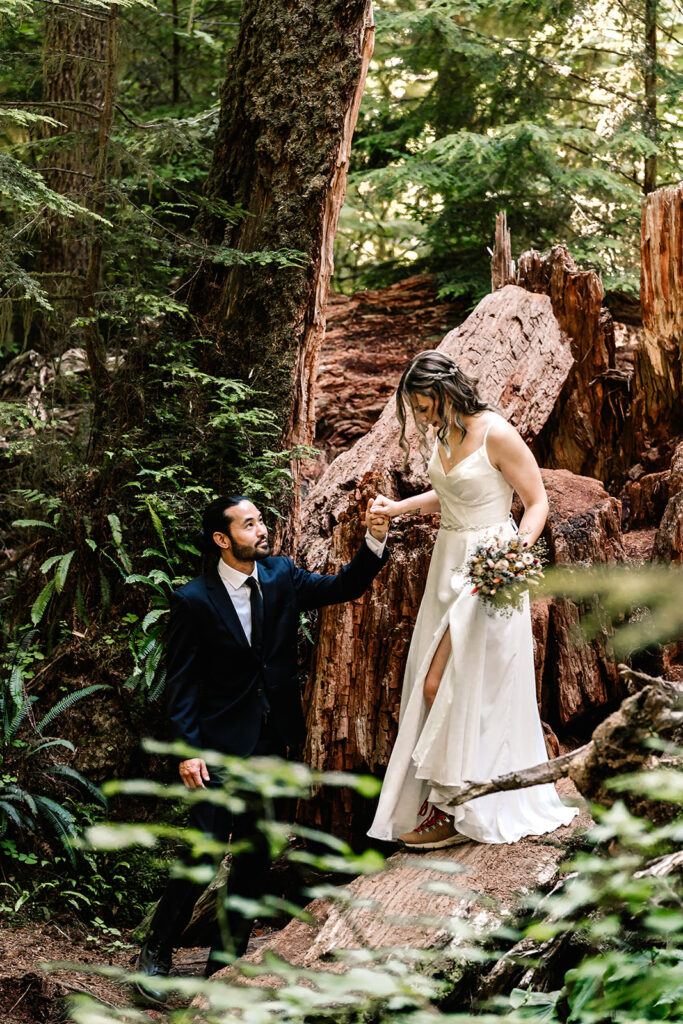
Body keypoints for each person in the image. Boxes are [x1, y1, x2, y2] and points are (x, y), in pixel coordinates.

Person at [136, 494, 389, 1003]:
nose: (263, 529)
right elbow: (182, 686)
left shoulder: (281, 576)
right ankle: (155, 958)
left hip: (274, 742)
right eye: (249, 524)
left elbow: (346, 585)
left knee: (254, 858)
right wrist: (188, 751)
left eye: (261, 521)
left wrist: (375, 539)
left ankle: (223, 967)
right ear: (222, 539)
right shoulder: (193, 600)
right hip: (219, 750)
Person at [367, 350, 577, 851]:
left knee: (451, 684)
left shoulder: (497, 432)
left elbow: (537, 502)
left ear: (448, 390)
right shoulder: (444, 433)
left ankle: (461, 800)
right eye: (416, 410)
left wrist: (513, 558)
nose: (422, 417)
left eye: (426, 406)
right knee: (437, 680)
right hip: (448, 563)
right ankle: (450, 799)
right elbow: (451, 491)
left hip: (489, 569)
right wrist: (398, 507)